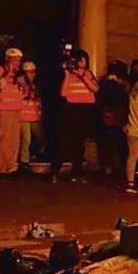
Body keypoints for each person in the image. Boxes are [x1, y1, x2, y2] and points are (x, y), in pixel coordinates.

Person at [51, 49, 99, 183]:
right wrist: (67, 74)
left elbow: (95, 89)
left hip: (85, 110)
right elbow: (62, 93)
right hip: (71, 109)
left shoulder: (88, 74)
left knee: (80, 142)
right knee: (65, 141)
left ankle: (77, 172)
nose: (83, 62)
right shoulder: (68, 74)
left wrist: (82, 76)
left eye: (84, 60)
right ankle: (55, 171)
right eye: (81, 60)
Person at [0, 48, 24, 175]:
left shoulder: (19, 73)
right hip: (3, 107)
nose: (18, 62)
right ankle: (0, 167)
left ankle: (11, 166)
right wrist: (8, 72)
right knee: (3, 138)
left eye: (19, 60)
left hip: (16, 107)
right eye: (15, 60)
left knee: (14, 139)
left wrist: (23, 82)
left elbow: (25, 90)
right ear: (8, 59)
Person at [97, 61, 131, 179]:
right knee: (119, 145)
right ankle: (119, 167)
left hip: (106, 118)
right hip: (118, 118)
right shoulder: (122, 86)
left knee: (106, 145)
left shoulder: (103, 84)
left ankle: (107, 167)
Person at [18, 61, 44, 172]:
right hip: (23, 116)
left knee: (41, 137)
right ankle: (24, 162)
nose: (32, 74)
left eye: (33, 72)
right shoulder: (18, 83)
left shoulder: (36, 84)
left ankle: (37, 153)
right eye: (30, 72)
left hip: (35, 115)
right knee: (26, 139)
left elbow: (38, 99)